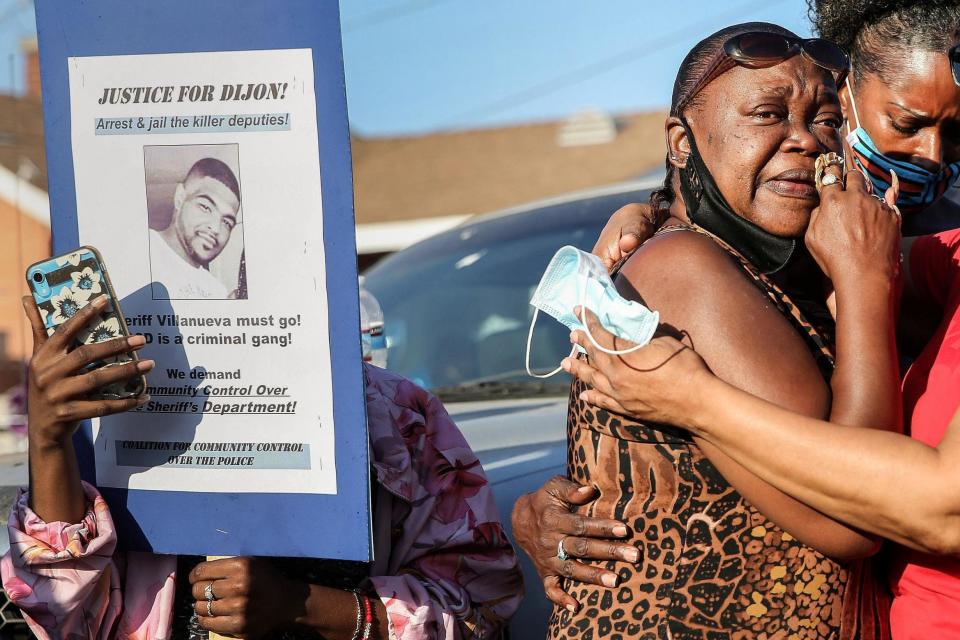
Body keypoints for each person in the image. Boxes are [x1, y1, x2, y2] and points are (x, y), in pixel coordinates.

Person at [528, 21, 903, 640]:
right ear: (681, 141)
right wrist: (865, 284)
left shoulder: (759, 269)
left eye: (827, 120)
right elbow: (855, 515)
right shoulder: (686, 269)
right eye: (768, 114)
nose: (806, 141)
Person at [2, 294, 523, 639]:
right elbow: (63, 614)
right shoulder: (104, 417)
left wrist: (303, 605)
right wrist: (49, 440)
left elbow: (481, 608)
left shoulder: (394, 418)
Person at [591, 0, 960, 273]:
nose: (933, 155)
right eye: (906, 125)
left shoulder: (949, 230)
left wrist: (694, 383)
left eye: (958, 133)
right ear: (843, 99)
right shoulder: (790, 206)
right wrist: (652, 214)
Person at [149, 157, 241, 300]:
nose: (216, 228)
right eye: (205, 207)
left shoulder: (218, 292)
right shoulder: (142, 248)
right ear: (180, 197)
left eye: (226, 222)